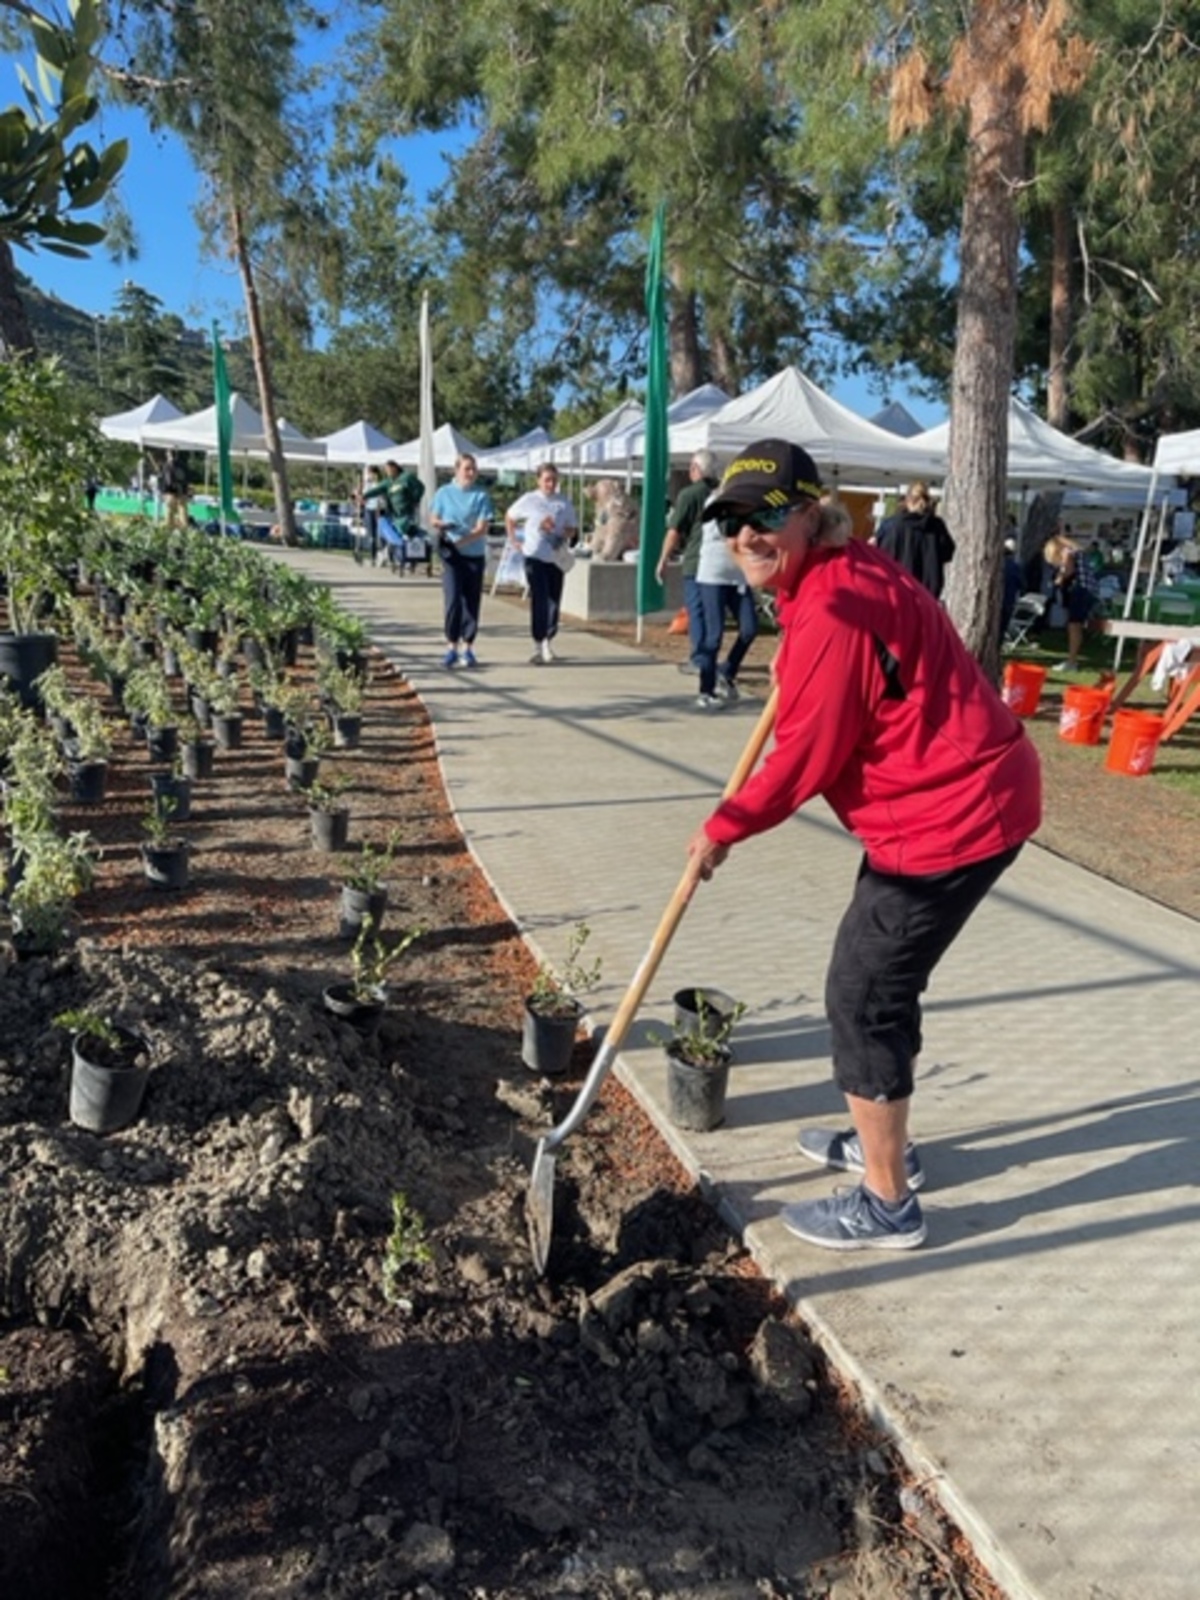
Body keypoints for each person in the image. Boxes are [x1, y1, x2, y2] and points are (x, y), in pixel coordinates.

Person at [685, 439, 1041, 1252]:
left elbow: (807, 757)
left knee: (862, 996)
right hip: (950, 803)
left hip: (951, 819)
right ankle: (889, 1143)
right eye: (734, 521)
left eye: (767, 517)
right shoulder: (840, 577)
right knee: (882, 985)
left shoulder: (836, 609)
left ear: (812, 515)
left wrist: (722, 828)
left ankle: (887, 1203)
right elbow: (859, 677)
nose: (748, 536)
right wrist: (794, 656)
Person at [505, 462, 578, 664]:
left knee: (554, 599)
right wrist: (514, 540)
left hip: (556, 557)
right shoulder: (530, 500)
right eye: (547, 480)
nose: (550, 484)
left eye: (554, 480)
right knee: (540, 598)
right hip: (534, 556)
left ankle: (548, 638)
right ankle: (540, 641)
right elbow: (510, 517)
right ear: (539, 480)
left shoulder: (564, 503)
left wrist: (564, 531)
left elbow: (573, 528)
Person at [657, 450, 721, 673]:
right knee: (712, 612)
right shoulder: (723, 492)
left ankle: (698, 658)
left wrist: (663, 558)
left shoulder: (688, 495)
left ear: (696, 469)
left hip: (696, 560)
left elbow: (674, 531)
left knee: (696, 610)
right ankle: (709, 656)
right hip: (721, 562)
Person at [431, 453, 493, 668]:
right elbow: (433, 517)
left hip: (473, 555)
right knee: (452, 600)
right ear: (456, 470)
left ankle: (468, 647)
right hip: (451, 557)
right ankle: (451, 646)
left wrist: (462, 542)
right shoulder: (443, 492)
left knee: (471, 601)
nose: (470, 473)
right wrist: (442, 524)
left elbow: (482, 528)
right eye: (467, 468)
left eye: (473, 469)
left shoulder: (481, 495)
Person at [693, 505, 758, 709]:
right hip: (713, 577)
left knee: (750, 628)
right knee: (714, 636)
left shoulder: (748, 504)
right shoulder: (715, 503)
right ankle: (706, 690)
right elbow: (725, 530)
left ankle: (727, 670)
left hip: (738, 578)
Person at [873, 481, 956, 599]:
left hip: (896, 589)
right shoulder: (937, 526)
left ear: (907, 500)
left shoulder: (890, 525)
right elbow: (948, 553)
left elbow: (878, 554)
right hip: (927, 593)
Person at [1044, 529, 1100, 672]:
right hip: (1089, 590)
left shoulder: (1068, 553)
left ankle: (1071, 661)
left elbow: (1067, 571)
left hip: (1080, 590)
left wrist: (1058, 580)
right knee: (1076, 625)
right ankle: (1072, 659)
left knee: (1074, 625)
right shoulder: (1079, 552)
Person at [364, 459, 426, 574]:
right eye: (386, 470)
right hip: (395, 514)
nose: (387, 472)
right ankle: (399, 557)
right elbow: (376, 490)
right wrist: (364, 496)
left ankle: (410, 560)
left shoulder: (406, 477)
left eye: (389, 469)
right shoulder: (387, 482)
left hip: (408, 512)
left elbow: (421, 487)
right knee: (398, 536)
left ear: (395, 468)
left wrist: (416, 499)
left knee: (408, 533)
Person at [161, 450, 190, 532]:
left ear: (168, 454)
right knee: (183, 511)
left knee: (169, 511)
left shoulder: (167, 465)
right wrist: (185, 491)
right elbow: (186, 479)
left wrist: (164, 492)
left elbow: (167, 480)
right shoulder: (183, 465)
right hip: (182, 491)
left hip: (171, 492)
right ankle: (184, 529)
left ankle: (169, 529)